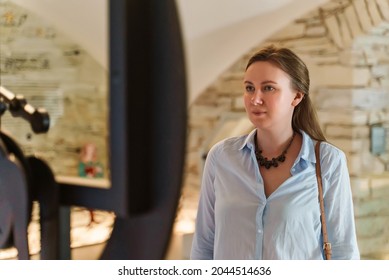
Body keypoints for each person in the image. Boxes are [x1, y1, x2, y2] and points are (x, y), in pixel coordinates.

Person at [190, 45, 360, 260]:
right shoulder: (221, 157)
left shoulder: (328, 161)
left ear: (296, 96)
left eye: (268, 88)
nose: (255, 99)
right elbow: (204, 245)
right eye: (249, 88)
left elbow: (343, 251)